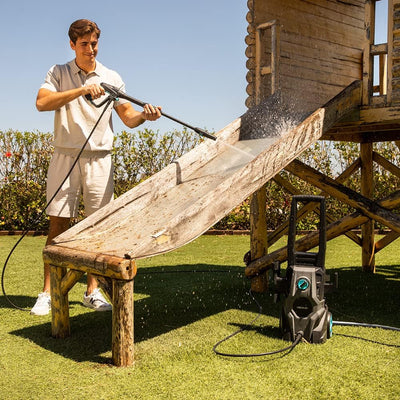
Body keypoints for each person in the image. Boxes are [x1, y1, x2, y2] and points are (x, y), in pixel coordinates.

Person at [31, 19, 162, 315]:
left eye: (94, 43)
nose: (90, 49)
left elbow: (128, 118)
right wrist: (81, 90)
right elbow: (42, 103)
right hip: (65, 156)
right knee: (58, 225)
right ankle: (48, 293)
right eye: (84, 44)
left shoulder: (111, 76)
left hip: (100, 158)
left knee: (97, 228)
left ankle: (92, 291)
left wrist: (145, 116)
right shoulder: (58, 72)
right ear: (72, 45)